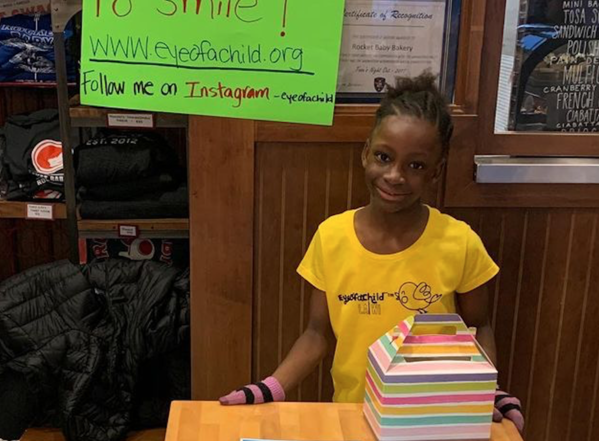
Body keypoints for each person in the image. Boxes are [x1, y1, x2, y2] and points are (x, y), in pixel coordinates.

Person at [219, 73, 524, 432]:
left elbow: (479, 326)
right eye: (384, 157)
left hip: (436, 417)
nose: (395, 176)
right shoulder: (331, 237)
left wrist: (486, 391)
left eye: (415, 165)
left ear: (436, 172)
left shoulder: (460, 242)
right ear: (366, 154)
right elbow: (317, 333)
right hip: (353, 416)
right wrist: (270, 387)